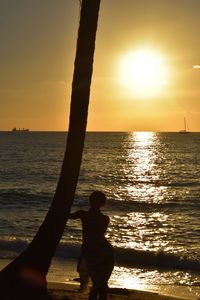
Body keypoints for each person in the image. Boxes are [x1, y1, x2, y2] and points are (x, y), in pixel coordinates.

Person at [69, 191, 114, 300]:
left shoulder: (82, 214)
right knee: (101, 282)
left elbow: (66, 215)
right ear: (103, 203)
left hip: (91, 250)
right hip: (104, 250)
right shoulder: (105, 219)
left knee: (96, 282)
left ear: (90, 201)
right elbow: (99, 235)